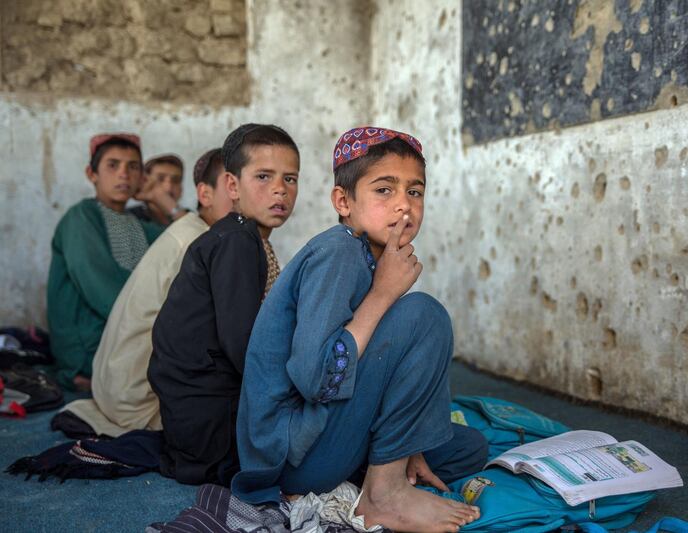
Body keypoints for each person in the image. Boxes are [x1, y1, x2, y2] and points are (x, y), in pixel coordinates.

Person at [233, 127, 486, 532]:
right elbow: (315, 379)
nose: (404, 204)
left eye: (415, 192)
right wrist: (384, 294)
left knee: (468, 449)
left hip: (328, 441)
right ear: (343, 201)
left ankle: (384, 467)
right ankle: (384, 494)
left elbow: (379, 361)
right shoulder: (337, 252)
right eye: (384, 190)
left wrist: (410, 439)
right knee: (423, 313)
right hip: (292, 453)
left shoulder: (372, 257)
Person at [147, 124, 299, 486]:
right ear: (232, 186)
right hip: (206, 422)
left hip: (194, 415)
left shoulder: (245, 236)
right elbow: (244, 346)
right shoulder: (236, 243)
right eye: (264, 176)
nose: (280, 189)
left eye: (290, 179)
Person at [61, 149, 233, 437]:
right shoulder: (83, 217)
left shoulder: (180, 229)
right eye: (233, 188)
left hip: (112, 383)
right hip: (131, 394)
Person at [47, 133, 163, 391]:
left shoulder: (139, 226)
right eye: (113, 165)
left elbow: (186, 244)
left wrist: (160, 200)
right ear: (92, 174)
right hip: (88, 350)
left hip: (129, 338)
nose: (124, 174)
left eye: (133, 167)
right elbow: (102, 290)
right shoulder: (81, 218)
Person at [129, 153, 188, 228]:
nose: (168, 187)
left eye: (175, 180)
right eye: (160, 179)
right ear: (145, 182)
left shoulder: (188, 216)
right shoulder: (131, 217)